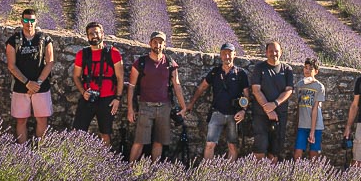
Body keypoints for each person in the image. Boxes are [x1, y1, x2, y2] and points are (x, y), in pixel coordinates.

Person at [125, 30, 187, 161]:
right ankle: (129, 170)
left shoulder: (170, 63)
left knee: (159, 141)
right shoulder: (140, 63)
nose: (157, 45)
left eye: (160, 43)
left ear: (164, 45)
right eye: (155, 42)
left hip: (164, 107)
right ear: (150, 43)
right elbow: (131, 87)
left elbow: (177, 85)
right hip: (145, 107)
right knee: (139, 141)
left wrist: (183, 107)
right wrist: (130, 109)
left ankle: (153, 172)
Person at [186, 42, 249, 160]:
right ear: (220, 55)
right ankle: (207, 172)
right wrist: (191, 103)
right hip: (217, 113)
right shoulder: (215, 72)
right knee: (210, 144)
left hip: (234, 115)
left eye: (230, 54)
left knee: (232, 146)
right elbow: (202, 87)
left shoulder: (241, 74)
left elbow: (246, 95)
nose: (227, 56)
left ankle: (230, 175)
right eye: (224, 54)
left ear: (234, 54)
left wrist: (244, 111)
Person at [5, 7, 55, 143]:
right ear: (22, 21)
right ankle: (22, 153)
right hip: (21, 87)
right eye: (26, 20)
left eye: (32, 20)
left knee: (42, 120)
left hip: (41, 87)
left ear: (36, 21)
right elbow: (11, 66)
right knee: (21, 120)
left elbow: (50, 62)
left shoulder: (45, 39)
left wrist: (37, 83)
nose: (29, 23)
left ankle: (39, 152)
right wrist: (27, 83)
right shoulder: (13, 41)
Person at [72, 22, 126, 147]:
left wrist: (117, 98)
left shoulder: (113, 53)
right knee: (77, 132)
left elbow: (120, 77)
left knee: (105, 133)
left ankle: (104, 162)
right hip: (88, 97)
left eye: (97, 32)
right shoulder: (82, 54)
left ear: (103, 34)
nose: (94, 36)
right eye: (91, 34)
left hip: (107, 99)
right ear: (87, 37)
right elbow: (76, 76)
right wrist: (83, 92)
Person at [249, 41, 294, 161]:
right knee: (260, 148)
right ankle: (257, 177)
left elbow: (289, 91)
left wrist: (274, 104)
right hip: (261, 115)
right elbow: (256, 90)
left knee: (275, 151)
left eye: (276, 51)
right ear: (266, 53)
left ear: (281, 52)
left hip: (280, 115)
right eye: (270, 51)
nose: (273, 53)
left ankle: (271, 178)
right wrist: (267, 108)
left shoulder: (287, 69)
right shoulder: (260, 68)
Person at [293, 56, 326, 161]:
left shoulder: (319, 87)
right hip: (302, 124)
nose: (307, 70)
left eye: (310, 69)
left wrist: (312, 131)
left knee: (314, 154)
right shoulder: (299, 85)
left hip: (315, 126)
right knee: (297, 154)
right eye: (306, 68)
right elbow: (298, 105)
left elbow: (315, 109)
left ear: (316, 71)